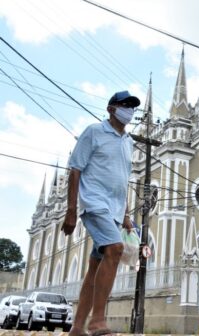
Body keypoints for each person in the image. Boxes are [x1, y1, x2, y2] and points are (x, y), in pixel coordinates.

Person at [61, 91, 140, 336]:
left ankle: (77, 326)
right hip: (94, 203)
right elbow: (75, 170)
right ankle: (97, 321)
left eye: (132, 106)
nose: (129, 109)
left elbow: (122, 180)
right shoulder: (94, 132)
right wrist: (71, 211)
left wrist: (126, 214)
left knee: (95, 266)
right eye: (124, 105)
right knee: (115, 250)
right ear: (111, 108)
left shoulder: (128, 141)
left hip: (115, 211)